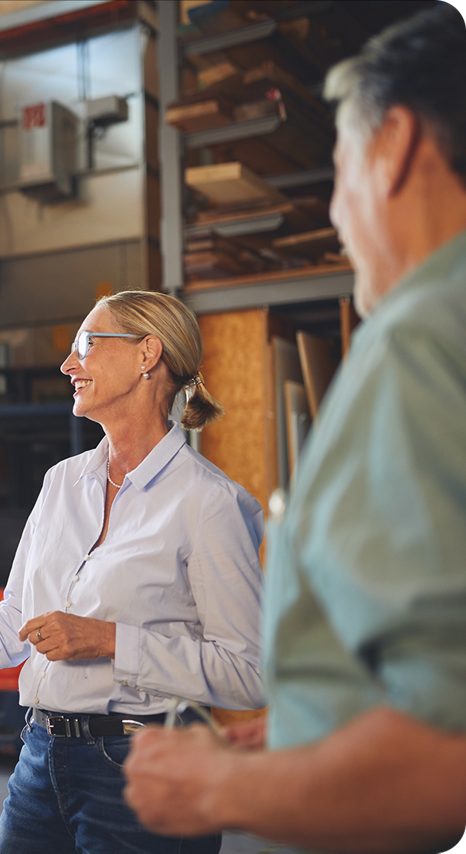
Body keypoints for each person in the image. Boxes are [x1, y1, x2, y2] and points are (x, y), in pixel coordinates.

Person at [121, 6, 466, 852]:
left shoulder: (422, 336)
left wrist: (218, 785)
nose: (340, 218)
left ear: (395, 147)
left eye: (339, 169)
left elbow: (446, 749)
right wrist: (317, 726)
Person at [0, 290, 266, 853]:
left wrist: (110, 641)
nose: (69, 365)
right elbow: (14, 623)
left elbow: (247, 671)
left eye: (86, 345)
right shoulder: (61, 483)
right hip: (40, 759)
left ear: (147, 355)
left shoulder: (209, 503)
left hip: (147, 768)